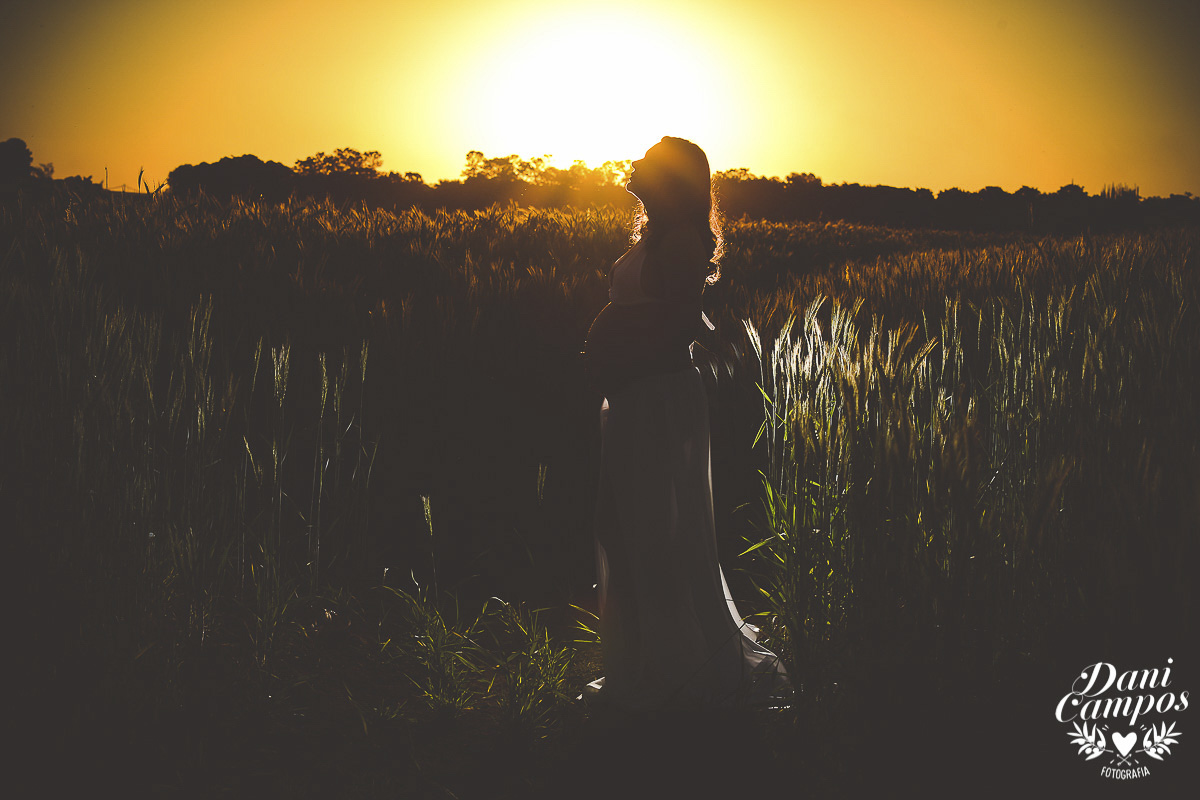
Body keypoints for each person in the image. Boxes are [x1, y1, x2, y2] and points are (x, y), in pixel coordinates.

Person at [582, 137, 790, 711]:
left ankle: (671, 668)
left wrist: (621, 369)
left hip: (655, 402)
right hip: (633, 400)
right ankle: (649, 659)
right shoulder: (656, 235)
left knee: (648, 531)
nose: (634, 165)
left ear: (670, 180)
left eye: (648, 161)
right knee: (623, 526)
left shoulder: (678, 243)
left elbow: (680, 328)